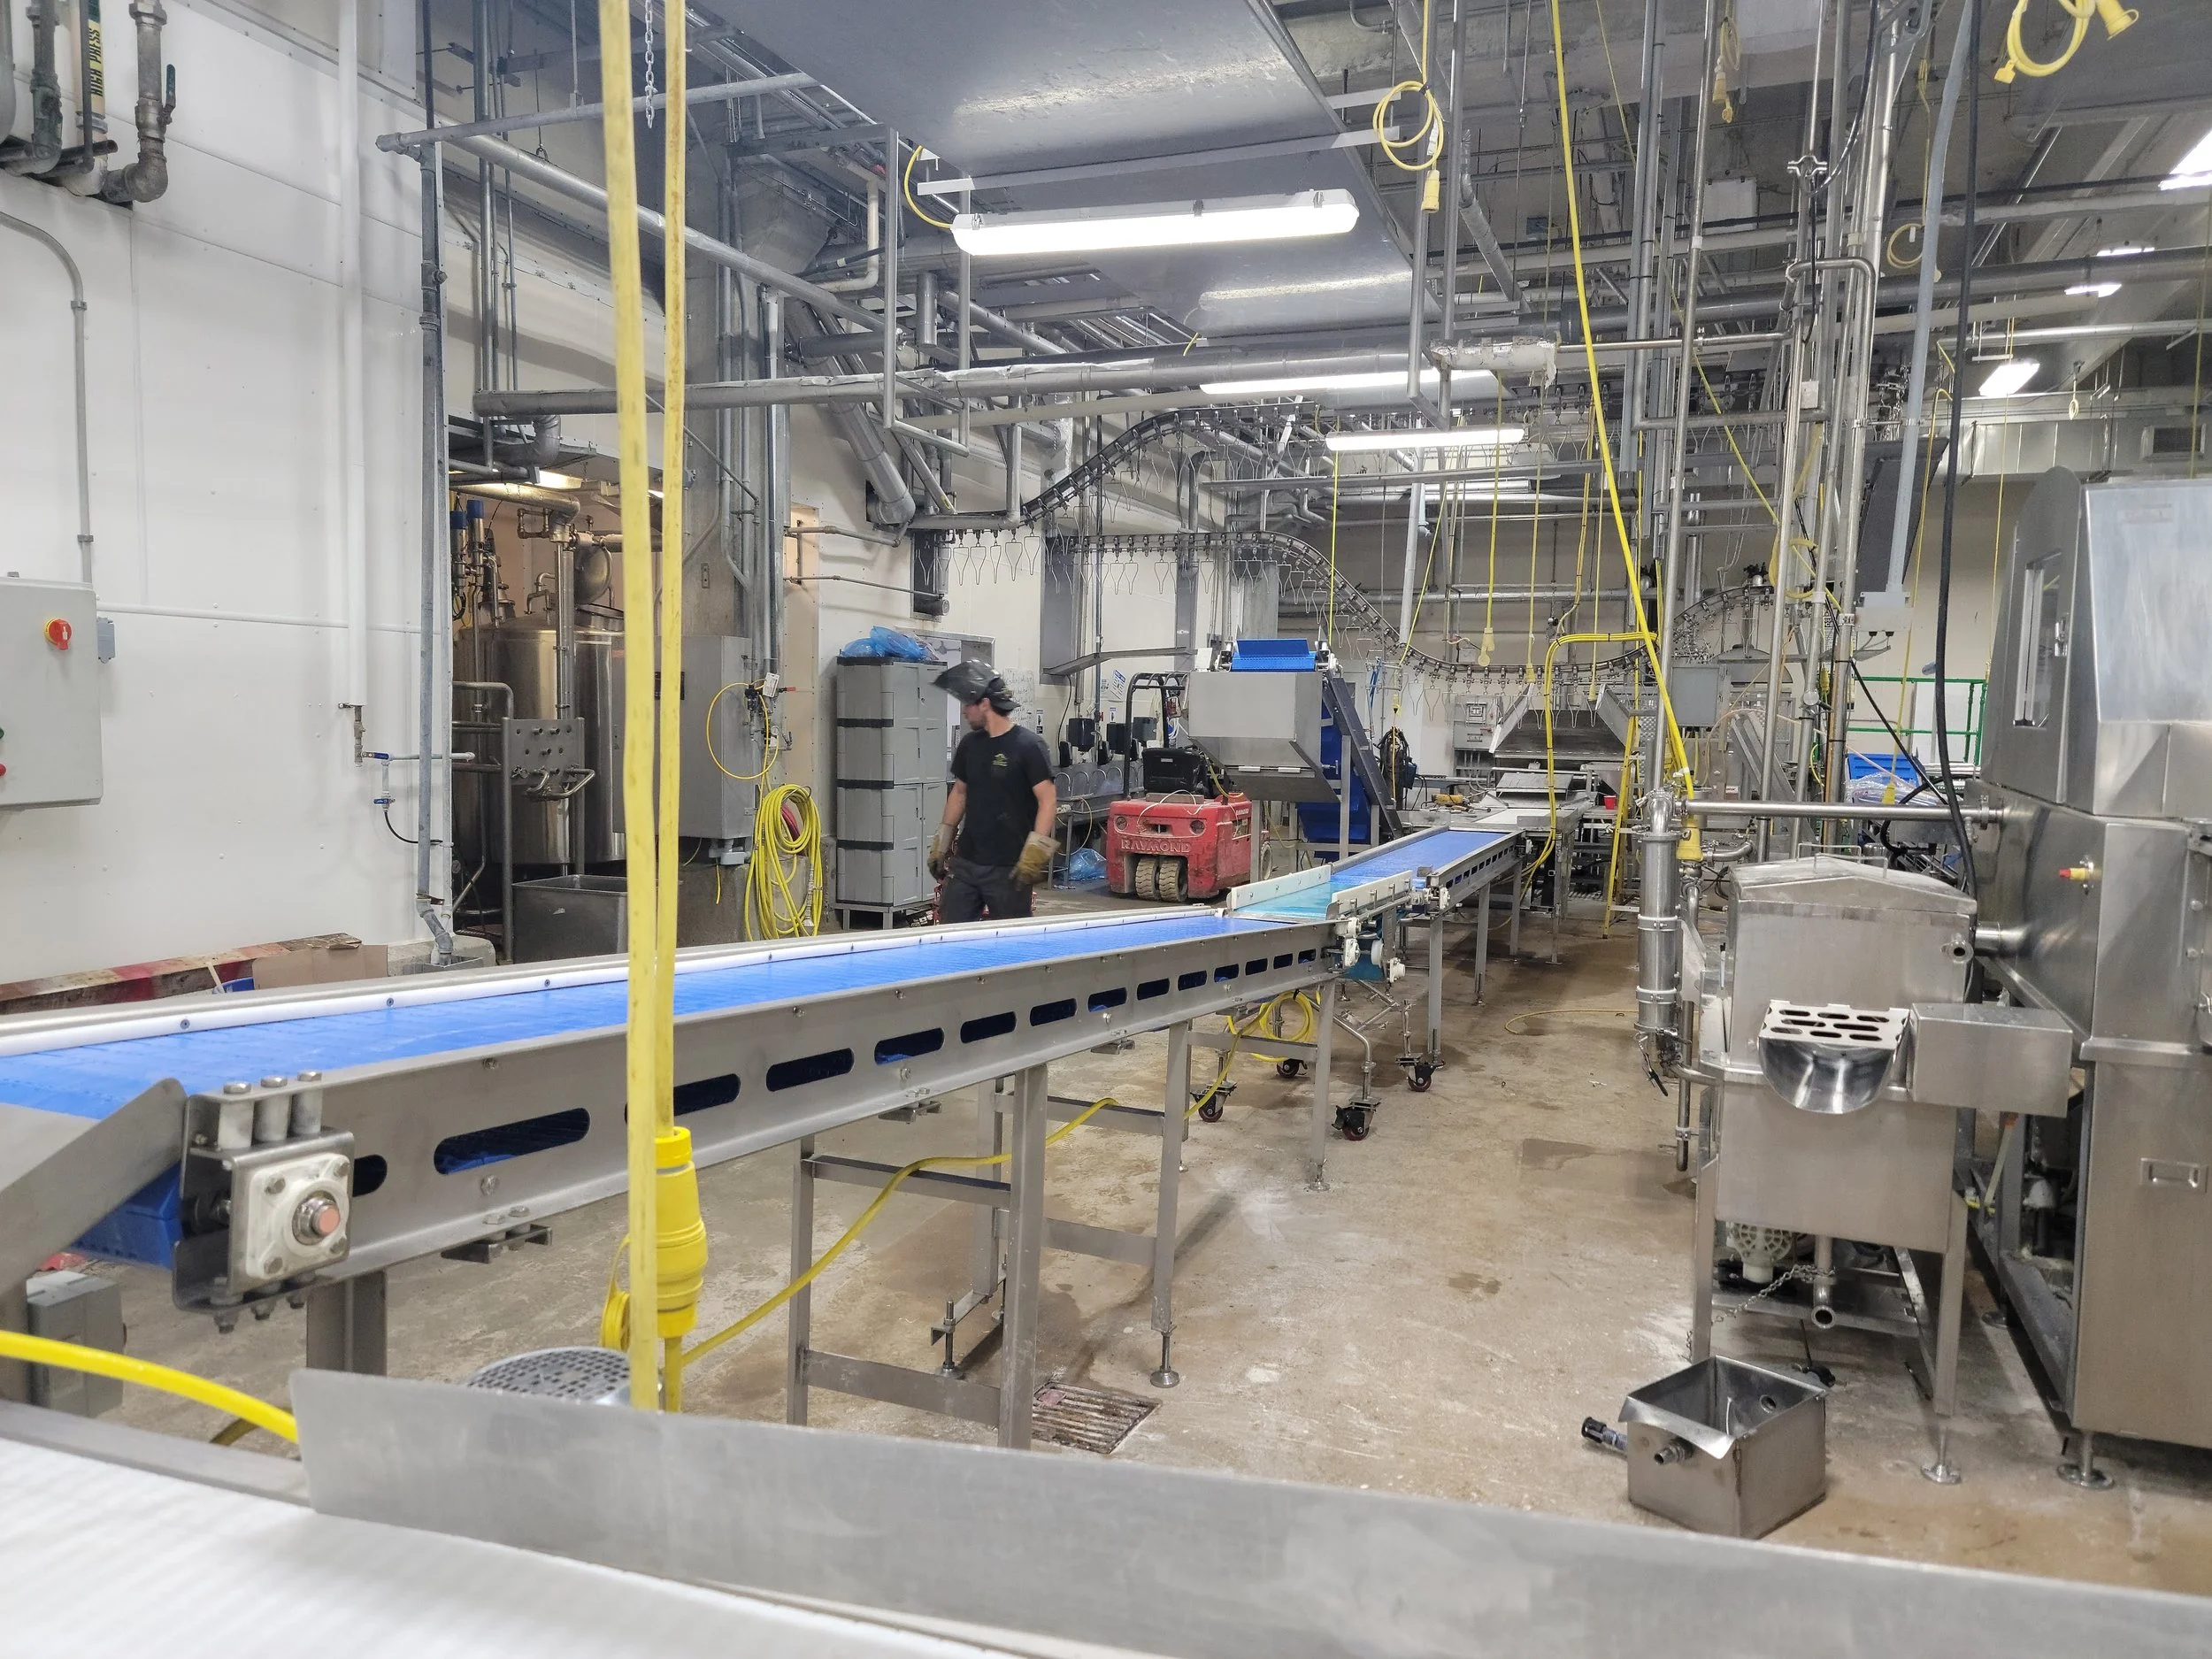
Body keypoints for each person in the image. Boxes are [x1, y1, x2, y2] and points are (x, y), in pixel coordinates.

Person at [928, 661, 1057, 921]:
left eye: (968, 704)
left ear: (985, 704)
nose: (964, 711)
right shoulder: (969, 745)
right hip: (967, 862)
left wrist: (1035, 854)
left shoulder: (1028, 746)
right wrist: (942, 841)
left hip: (1009, 866)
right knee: (948, 934)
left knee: (1010, 942)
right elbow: (960, 793)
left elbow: (1048, 801)